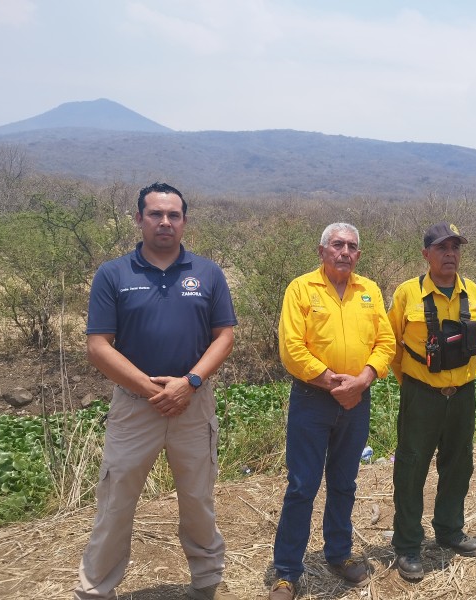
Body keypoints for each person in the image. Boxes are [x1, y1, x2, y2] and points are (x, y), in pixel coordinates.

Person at [74, 183, 239, 600]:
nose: (165, 222)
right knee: (115, 502)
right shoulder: (114, 274)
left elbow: (224, 336)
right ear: (139, 219)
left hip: (193, 404)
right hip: (135, 408)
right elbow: (98, 346)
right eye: (155, 214)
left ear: (184, 221)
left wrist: (190, 383)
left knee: (198, 499)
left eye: (173, 215)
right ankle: (95, 588)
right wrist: (152, 389)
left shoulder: (207, 273)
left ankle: (205, 581)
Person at [268, 223, 396, 600]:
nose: (345, 251)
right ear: (321, 251)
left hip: (357, 400)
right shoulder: (301, 288)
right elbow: (291, 347)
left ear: (358, 254)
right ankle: (287, 572)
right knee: (302, 486)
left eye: (352, 246)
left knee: (344, 482)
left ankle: (338, 554)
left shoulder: (369, 290)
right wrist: (331, 382)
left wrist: (363, 379)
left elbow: (386, 342)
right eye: (337, 244)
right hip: (312, 400)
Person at [387, 222, 476, 582]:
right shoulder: (406, 294)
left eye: (456, 248)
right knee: (412, 469)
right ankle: (408, 544)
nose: (450, 254)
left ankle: (449, 530)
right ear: (426, 254)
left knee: (459, 465)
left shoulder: (473, 292)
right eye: (442, 248)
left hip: (463, 394)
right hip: (422, 395)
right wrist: (416, 384)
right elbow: (392, 346)